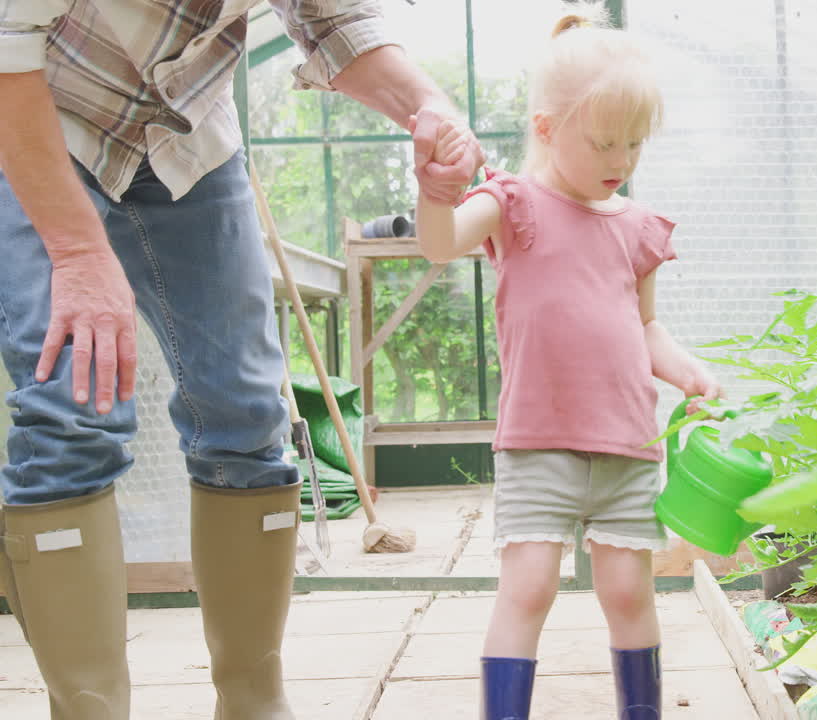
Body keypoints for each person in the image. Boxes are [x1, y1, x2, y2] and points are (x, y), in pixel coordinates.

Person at [0, 2, 481, 718]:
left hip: (188, 140)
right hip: (38, 118)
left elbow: (332, 21)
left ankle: (254, 701)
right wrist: (75, 250)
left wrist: (429, 106)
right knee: (70, 408)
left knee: (249, 411)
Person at [412, 4, 722, 718]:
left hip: (625, 444)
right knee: (529, 587)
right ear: (548, 131)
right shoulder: (513, 205)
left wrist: (687, 371)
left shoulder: (639, 230)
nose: (621, 162)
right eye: (606, 142)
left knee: (627, 591)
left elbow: (644, 327)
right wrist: (437, 191)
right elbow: (438, 245)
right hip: (538, 442)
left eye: (635, 146)